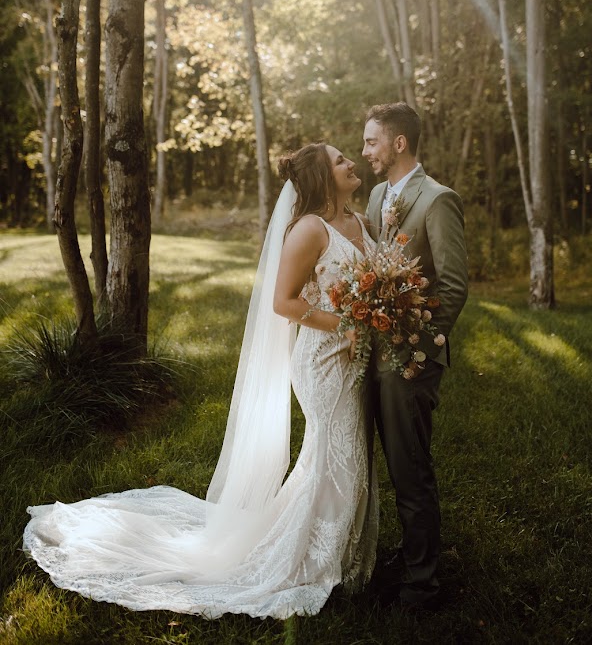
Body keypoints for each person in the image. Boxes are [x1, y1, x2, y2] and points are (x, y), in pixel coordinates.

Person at [23, 143, 378, 620]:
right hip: (324, 360)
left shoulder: (360, 222)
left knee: (348, 452)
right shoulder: (308, 230)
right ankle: (312, 559)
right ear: (321, 177)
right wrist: (346, 325)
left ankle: (343, 553)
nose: (351, 163)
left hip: (359, 358)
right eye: (340, 161)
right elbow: (284, 302)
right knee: (337, 451)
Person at [362, 102, 468, 611]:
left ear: (398, 143)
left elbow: (452, 285)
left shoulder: (439, 200)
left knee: (410, 471)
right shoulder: (379, 194)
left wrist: (421, 351)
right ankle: (385, 559)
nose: (366, 153)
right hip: (370, 354)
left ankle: (422, 583)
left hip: (412, 361)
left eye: (371, 142)